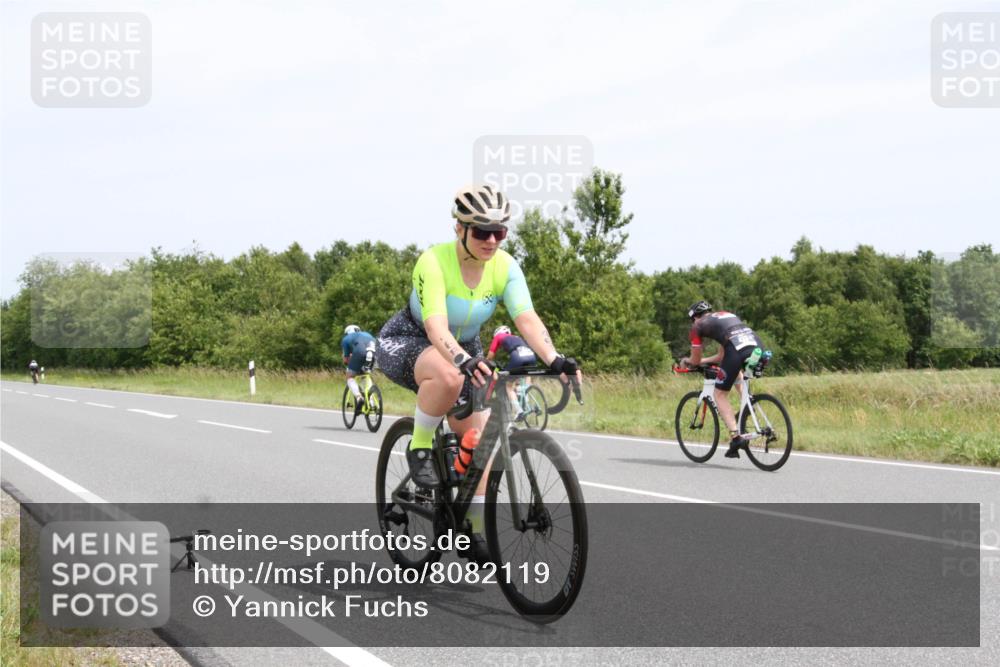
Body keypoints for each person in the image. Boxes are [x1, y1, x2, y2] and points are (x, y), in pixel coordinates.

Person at [376, 183, 581, 490]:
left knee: (480, 450)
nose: (492, 240)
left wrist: (555, 359)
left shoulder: (506, 266)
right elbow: (435, 327)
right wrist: (462, 361)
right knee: (449, 376)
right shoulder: (433, 262)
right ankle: (419, 447)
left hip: (466, 348)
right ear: (459, 228)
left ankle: (472, 532)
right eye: (482, 232)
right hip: (411, 338)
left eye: (500, 232)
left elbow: (526, 317)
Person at [680, 301, 764, 459]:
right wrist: (704, 361)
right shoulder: (725, 316)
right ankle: (746, 410)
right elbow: (720, 356)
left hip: (736, 351)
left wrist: (688, 361)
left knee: (719, 394)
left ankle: (735, 437)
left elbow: (695, 360)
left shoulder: (697, 326)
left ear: (694, 317)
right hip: (756, 345)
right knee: (737, 371)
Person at [486, 325, 538, 421]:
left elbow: (490, 356)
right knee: (524, 379)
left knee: (509, 385)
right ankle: (526, 401)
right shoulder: (517, 337)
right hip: (532, 357)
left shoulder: (498, 337)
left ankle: (518, 411)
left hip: (518, 357)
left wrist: (485, 363)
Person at [340, 325, 377, 412]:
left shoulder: (346, 338)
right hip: (375, 353)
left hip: (360, 353)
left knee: (350, 377)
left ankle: (359, 398)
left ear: (347, 332)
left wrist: (347, 364)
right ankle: (371, 402)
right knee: (365, 375)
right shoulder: (367, 334)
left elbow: (346, 359)